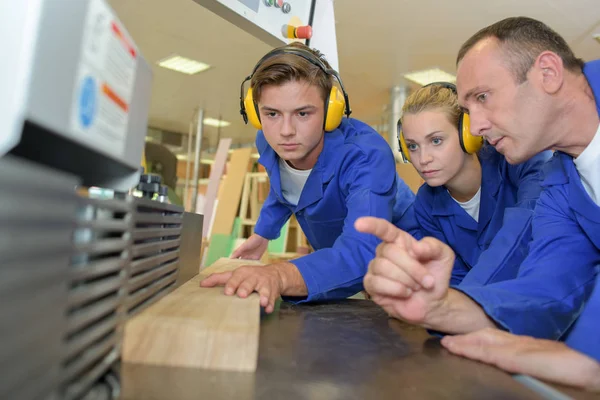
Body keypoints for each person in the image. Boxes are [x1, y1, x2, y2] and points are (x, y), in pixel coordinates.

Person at [356, 16, 600, 390]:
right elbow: (550, 281)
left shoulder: (532, 176)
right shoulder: (561, 181)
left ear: (548, 73)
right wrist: (439, 306)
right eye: (468, 111)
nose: (476, 126)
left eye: (483, 97)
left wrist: (587, 356)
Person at [201, 42, 417, 313]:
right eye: (272, 114)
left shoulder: (365, 155)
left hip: (407, 261)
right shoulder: (268, 141)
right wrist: (263, 233)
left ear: (330, 111)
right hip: (340, 259)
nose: (286, 131)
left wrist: (280, 275)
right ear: (256, 114)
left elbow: (362, 250)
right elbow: (284, 187)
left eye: (303, 113)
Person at [397, 82, 550, 287]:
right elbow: (453, 278)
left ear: (467, 134)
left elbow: (523, 233)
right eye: (413, 146)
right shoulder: (426, 202)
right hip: (487, 310)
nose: (423, 159)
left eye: (436, 141)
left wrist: (465, 299)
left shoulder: (518, 162)